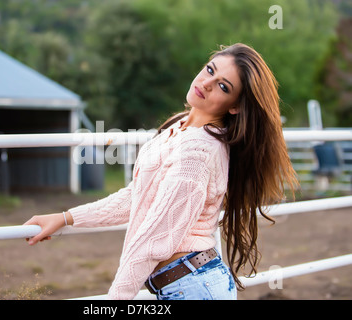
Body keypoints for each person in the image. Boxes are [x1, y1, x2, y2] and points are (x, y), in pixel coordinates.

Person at [23, 43, 299, 300]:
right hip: (187, 283)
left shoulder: (198, 150)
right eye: (210, 70)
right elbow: (139, 196)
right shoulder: (179, 128)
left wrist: (116, 300)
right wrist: (66, 217)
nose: (206, 83)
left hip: (193, 288)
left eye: (223, 87)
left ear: (236, 106)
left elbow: (155, 239)